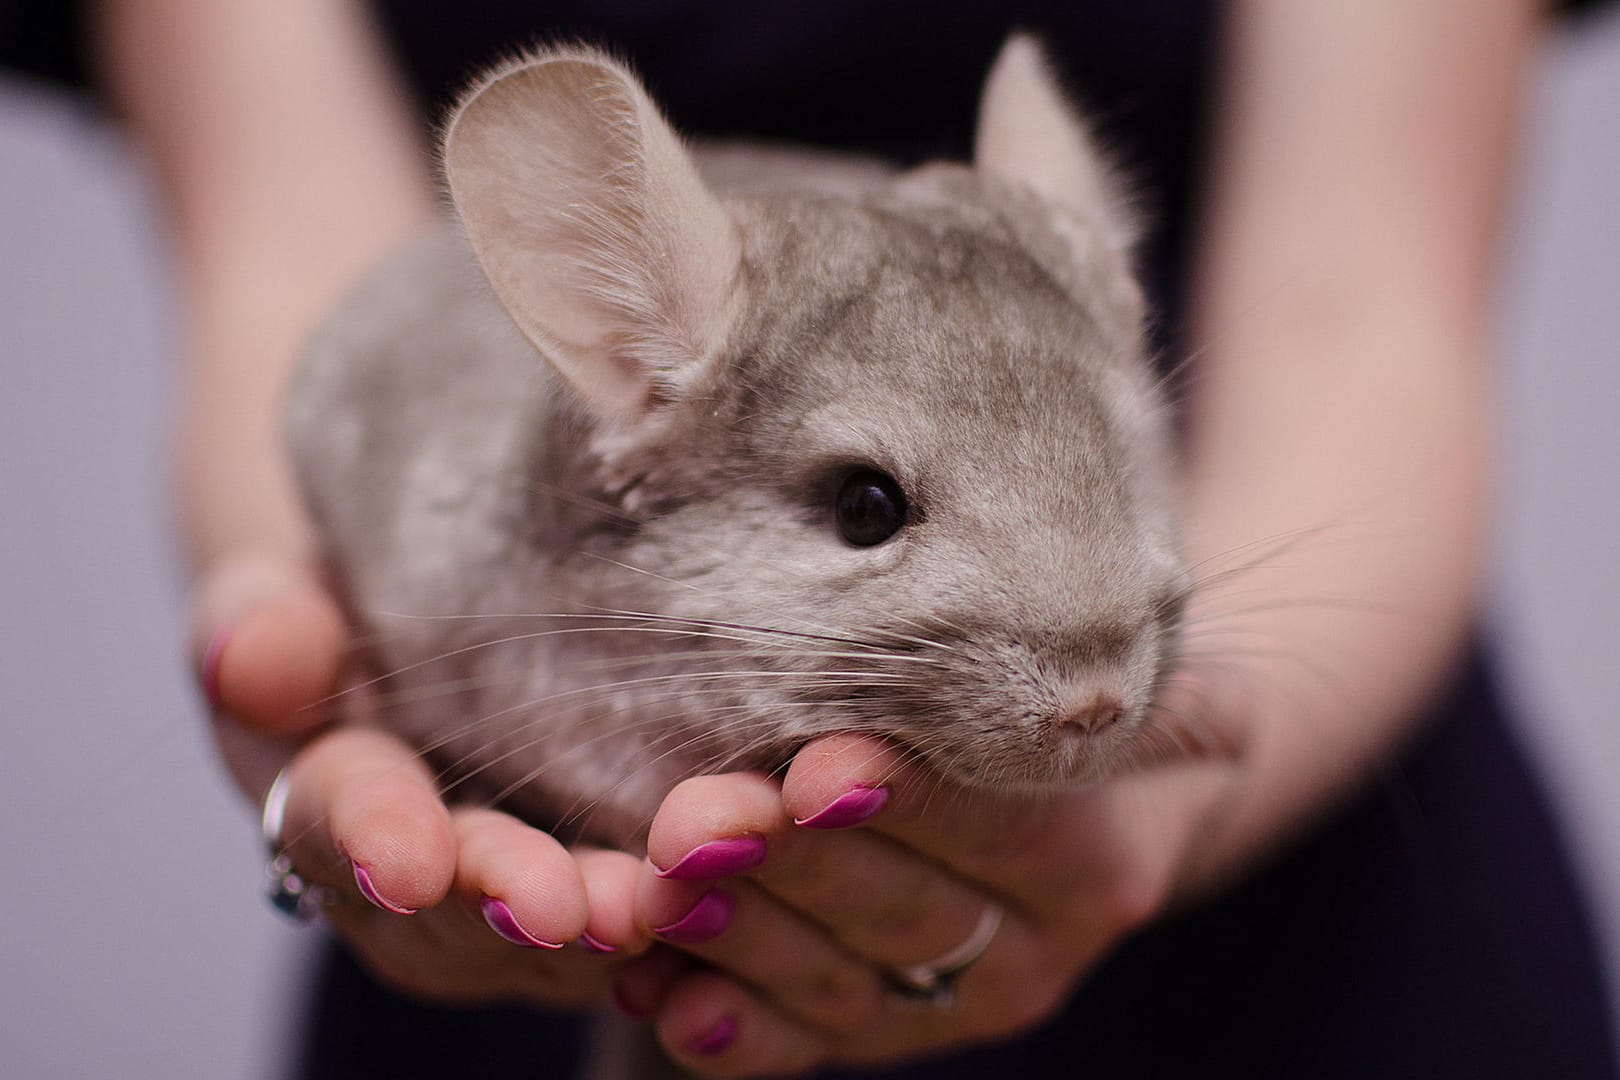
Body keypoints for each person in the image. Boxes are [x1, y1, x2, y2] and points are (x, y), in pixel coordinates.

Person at [59, 0, 1620, 1075]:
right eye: (868, 508)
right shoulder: (598, 420)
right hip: (500, 972)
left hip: (1308, 955)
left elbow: (1365, 314)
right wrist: (309, 681)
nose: (1082, 688)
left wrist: (1200, 774)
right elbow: (306, 285)